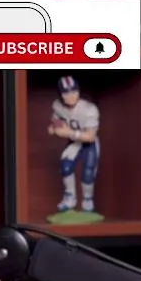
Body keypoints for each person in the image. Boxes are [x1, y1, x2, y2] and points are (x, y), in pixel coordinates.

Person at [48, 75, 100, 213]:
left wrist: (68, 132)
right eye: (66, 93)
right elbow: (55, 118)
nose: (71, 96)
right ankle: (70, 198)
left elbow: (90, 136)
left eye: (74, 91)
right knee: (66, 167)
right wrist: (54, 127)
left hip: (89, 144)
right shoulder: (58, 105)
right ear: (61, 95)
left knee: (88, 173)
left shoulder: (89, 109)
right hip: (74, 142)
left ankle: (87, 200)